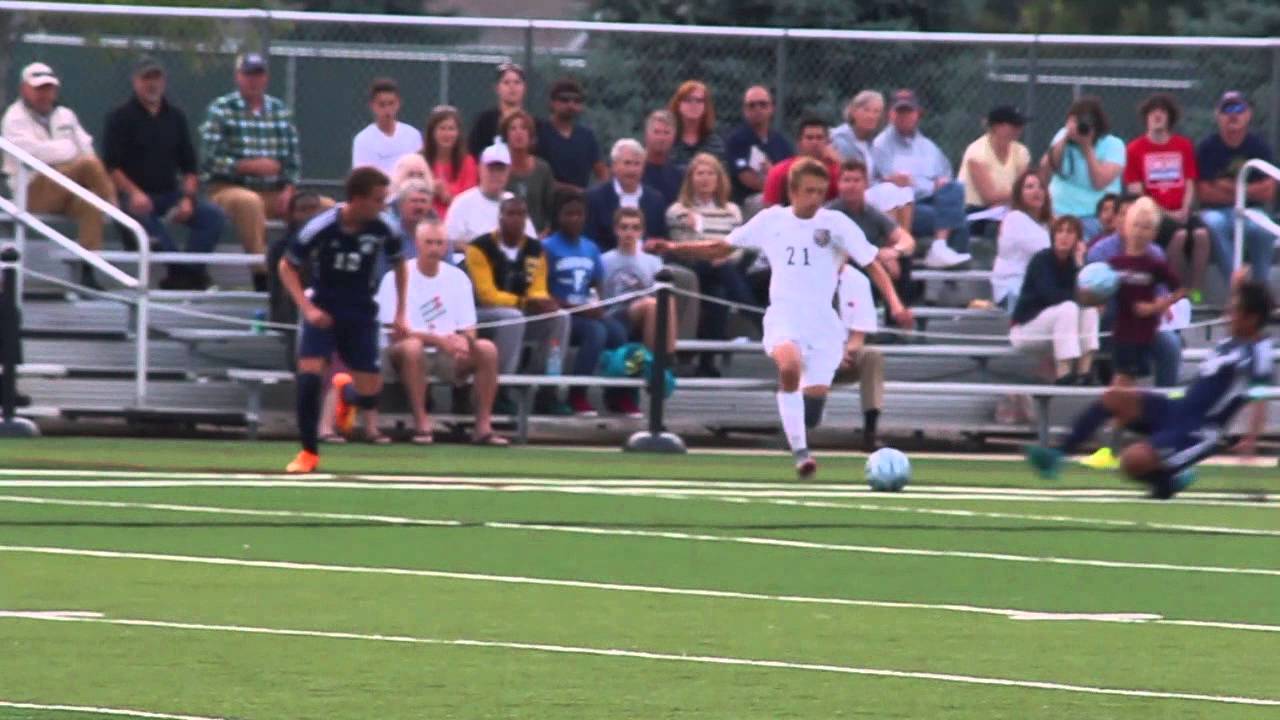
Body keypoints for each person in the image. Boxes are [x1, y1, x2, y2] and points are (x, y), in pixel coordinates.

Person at [649, 158, 915, 479]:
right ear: (793, 191)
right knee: (788, 366)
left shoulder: (836, 223)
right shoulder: (771, 220)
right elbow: (721, 247)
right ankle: (802, 453)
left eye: (820, 192)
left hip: (823, 326)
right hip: (784, 318)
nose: (815, 198)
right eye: (809, 191)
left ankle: (799, 426)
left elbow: (872, 263)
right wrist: (675, 247)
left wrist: (896, 305)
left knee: (813, 401)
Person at [1027, 274, 1273, 500]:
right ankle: (1057, 455)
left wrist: (1251, 438)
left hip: (1197, 429)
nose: (1228, 312)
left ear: (1251, 318)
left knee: (1131, 461)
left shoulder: (1257, 350)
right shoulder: (1231, 342)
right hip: (1177, 408)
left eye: (1235, 309)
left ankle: (1168, 480)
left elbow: (1259, 394)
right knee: (1115, 398)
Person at [277, 167, 409, 473]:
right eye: (377, 200)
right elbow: (287, 266)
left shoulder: (385, 227)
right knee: (309, 376)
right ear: (358, 199)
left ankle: (345, 391)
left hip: (361, 309)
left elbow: (400, 264)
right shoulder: (320, 227)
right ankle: (309, 452)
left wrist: (401, 312)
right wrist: (307, 308)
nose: (382, 206)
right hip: (324, 308)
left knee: (369, 392)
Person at [373, 220, 507, 446]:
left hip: (447, 353)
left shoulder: (458, 278)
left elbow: (468, 326)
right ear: (417, 244)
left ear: (446, 246)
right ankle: (421, 422)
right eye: (429, 243)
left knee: (487, 349)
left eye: (439, 243)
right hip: (402, 351)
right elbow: (393, 331)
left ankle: (483, 426)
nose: (434, 248)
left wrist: (466, 343)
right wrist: (436, 339)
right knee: (413, 347)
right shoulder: (396, 276)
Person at [103, 55, 225, 290]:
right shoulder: (119, 117)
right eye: (146, 78)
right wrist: (135, 193)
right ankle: (186, 276)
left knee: (213, 216)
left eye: (156, 78)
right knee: (144, 215)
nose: (152, 84)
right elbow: (111, 167)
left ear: (164, 81)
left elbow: (189, 166)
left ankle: (186, 276)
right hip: (134, 197)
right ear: (135, 81)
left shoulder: (176, 117)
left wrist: (188, 199)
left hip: (170, 194)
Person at [2, 62, 116, 289]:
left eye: (49, 88)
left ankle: (87, 273)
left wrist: (65, 154)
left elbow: (87, 149)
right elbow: (35, 155)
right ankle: (116, 210)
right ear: (24, 89)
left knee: (90, 203)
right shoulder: (14, 118)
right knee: (89, 165)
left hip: (65, 187)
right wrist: (67, 150)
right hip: (32, 191)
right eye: (39, 88)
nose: (45, 94)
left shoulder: (66, 115)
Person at [199, 52, 302, 292]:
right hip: (228, 189)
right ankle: (263, 277)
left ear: (266, 77)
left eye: (259, 74)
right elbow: (209, 160)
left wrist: (290, 188)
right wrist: (248, 165)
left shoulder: (279, 111)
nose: (254, 80)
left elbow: (293, 162)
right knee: (250, 202)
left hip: (275, 191)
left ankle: (306, 273)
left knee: (321, 206)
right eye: (248, 75)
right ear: (238, 77)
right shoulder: (221, 109)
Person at [465, 196, 571, 416]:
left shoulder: (535, 249)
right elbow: (486, 294)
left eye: (521, 214)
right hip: (481, 316)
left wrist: (542, 302)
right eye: (511, 214)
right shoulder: (479, 247)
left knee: (561, 317)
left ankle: (546, 387)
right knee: (512, 317)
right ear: (500, 217)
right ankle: (499, 389)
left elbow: (538, 286)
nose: (516, 219)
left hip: (521, 313)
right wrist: (524, 303)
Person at [665, 152, 752, 377]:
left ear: (718, 178)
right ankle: (755, 314)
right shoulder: (679, 211)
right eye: (700, 173)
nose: (705, 178)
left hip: (722, 268)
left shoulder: (732, 211)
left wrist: (725, 256)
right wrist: (712, 253)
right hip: (694, 269)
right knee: (722, 271)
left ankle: (707, 362)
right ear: (691, 178)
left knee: (720, 293)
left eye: (710, 173)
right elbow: (683, 245)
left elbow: (739, 246)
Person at [544, 188, 628, 416]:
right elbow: (543, 293)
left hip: (586, 310)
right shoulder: (547, 247)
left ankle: (618, 395)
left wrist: (596, 303)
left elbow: (596, 283)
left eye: (579, 214)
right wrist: (579, 308)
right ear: (558, 216)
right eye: (568, 214)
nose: (574, 219)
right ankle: (576, 394)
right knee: (596, 333)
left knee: (618, 331)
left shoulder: (590, 248)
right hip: (562, 315)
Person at [1124, 92, 1210, 302]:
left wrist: (1184, 209)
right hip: (1155, 214)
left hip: (1181, 210)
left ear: (1170, 117)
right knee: (1179, 236)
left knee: (1201, 235)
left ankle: (1196, 291)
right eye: (1153, 111)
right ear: (1146, 117)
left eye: (1162, 111)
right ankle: (1176, 291)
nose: (1158, 115)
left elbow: (1189, 182)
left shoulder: (1183, 146)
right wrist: (1166, 213)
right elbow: (1136, 191)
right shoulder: (1135, 149)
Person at [872, 89, 972, 269]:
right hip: (905, 207)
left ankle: (944, 258)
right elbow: (892, 183)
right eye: (899, 111)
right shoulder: (881, 145)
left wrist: (941, 183)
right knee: (957, 222)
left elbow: (946, 175)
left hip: (935, 201)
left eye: (908, 111)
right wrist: (931, 187)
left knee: (955, 189)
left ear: (918, 114)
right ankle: (946, 275)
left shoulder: (928, 146)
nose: (903, 116)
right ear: (890, 114)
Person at [1196, 91, 1278, 284]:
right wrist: (1249, 190)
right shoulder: (1207, 148)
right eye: (1227, 109)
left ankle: (1259, 292)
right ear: (1218, 115)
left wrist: (1230, 187)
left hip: (1252, 210)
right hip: (1216, 212)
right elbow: (1204, 193)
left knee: (1264, 231)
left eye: (1238, 108)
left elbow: (1269, 192)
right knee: (1214, 224)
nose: (1233, 114)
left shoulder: (1259, 146)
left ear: (1248, 114)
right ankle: (1238, 287)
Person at [804, 263, 887, 451]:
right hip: (812, 355)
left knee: (872, 356)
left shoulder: (858, 281)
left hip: (846, 355)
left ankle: (870, 431)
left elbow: (859, 334)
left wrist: (843, 352)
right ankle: (799, 430)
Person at [1008, 215, 1099, 383]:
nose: (1064, 236)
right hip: (1026, 329)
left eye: (1070, 232)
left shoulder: (1076, 263)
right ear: (1053, 235)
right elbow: (1051, 295)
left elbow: (1087, 296)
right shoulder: (1041, 260)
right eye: (1060, 231)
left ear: (1078, 239)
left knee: (1089, 310)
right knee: (1068, 307)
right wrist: (1080, 297)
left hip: (1059, 331)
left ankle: (1084, 372)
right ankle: (1063, 372)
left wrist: (1079, 265)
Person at [1108, 196, 1184, 386]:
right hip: (1122, 333)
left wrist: (1157, 306)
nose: (1139, 232)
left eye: (1146, 227)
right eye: (1136, 225)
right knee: (1123, 380)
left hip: (1147, 332)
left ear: (1154, 233)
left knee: (1132, 382)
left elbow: (1183, 291)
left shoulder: (1155, 264)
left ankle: (1167, 403)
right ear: (1126, 226)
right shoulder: (1114, 264)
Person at [826, 159, 918, 315]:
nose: (852, 185)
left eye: (856, 180)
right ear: (839, 184)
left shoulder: (873, 213)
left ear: (866, 184)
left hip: (872, 265)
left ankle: (897, 322)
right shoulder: (829, 213)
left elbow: (907, 241)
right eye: (846, 180)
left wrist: (894, 252)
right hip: (843, 267)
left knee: (904, 260)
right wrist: (875, 255)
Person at [1039, 96, 1125, 239]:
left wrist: (1087, 148)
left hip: (1093, 216)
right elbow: (1046, 168)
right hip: (1058, 212)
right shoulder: (1063, 136)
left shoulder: (1114, 145)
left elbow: (1099, 182)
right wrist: (1066, 138)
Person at [829, 90, 914, 223]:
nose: (872, 116)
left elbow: (872, 176)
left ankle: (905, 240)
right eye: (867, 110)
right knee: (888, 192)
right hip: (849, 193)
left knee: (904, 191)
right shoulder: (838, 138)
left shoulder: (870, 143)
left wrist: (891, 178)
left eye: (876, 112)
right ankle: (889, 239)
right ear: (853, 112)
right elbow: (847, 170)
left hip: (869, 190)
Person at [603, 207, 676, 356]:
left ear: (641, 232)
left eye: (635, 228)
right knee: (651, 304)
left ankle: (668, 358)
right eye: (624, 227)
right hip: (614, 314)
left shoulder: (654, 261)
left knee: (667, 298)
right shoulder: (603, 260)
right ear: (616, 230)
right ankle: (651, 361)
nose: (629, 232)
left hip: (647, 311)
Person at [444, 143, 536, 257]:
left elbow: (531, 241)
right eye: (491, 169)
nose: (496, 174)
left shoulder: (514, 202)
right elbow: (449, 242)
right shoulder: (462, 202)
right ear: (480, 169)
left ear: (508, 172)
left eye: (501, 170)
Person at [585, 138, 669, 252]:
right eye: (627, 163)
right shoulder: (594, 197)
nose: (632, 170)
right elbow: (589, 242)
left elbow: (662, 240)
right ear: (614, 166)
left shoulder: (656, 200)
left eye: (637, 164)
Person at [990, 171, 1052, 311]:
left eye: (1041, 187)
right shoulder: (1014, 218)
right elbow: (1047, 251)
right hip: (1013, 291)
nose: (1037, 191)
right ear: (1019, 194)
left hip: (1035, 290)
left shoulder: (1044, 225)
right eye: (1029, 187)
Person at [724, 86, 793, 206]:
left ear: (772, 108)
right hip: (747, 200)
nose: (757, 109)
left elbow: (792, 175)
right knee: (770, 202)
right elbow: (747, 178)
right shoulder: (736, 140)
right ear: (745, 110)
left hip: (781, 195)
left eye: (763, 104)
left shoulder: (781, 141)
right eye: (752, 105)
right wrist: (776, 184)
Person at [536, 78, 607, 189]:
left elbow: (602, 173)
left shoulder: (586, 136)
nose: (571, 105)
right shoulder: (539, 132)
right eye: (564, 100)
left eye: (577, 101)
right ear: (552, 103)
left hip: (580, 201)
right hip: (547, 199)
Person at [958, 105, 1031, 212]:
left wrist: (1022, 192)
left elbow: (1024, 185)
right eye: (1014, 125)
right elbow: (990, 197)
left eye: (1021, 124)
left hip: (1005, 210)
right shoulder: (976, 152)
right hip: (972, 213)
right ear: (997, 127)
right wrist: (1021, 192)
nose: (1019, 129)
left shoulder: (1021, 151)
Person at [350, 77, 423, 174]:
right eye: (382, 105)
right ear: (372, 106)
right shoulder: (362, 140)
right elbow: (363, 178)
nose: (387, 110)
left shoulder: (413, 135)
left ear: (398, 104)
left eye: (391, 104)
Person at [762, 116, 839, 207]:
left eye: (819, 138)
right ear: (799, 142)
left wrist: (839, 162)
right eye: (809, 138)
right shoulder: (780, 171)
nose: (815, 142)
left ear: (827, 142)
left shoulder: (836, 170)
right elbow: (770, 206)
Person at [500, 110, 555, 234]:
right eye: (513, 128)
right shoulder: (499, 169)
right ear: (506, 136)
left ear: (531, 136)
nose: (518, 132)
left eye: (524, 128)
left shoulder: (543, 169)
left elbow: (551, 210)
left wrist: (544, 234)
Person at [422, 105, 476, 220]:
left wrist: (447, 196)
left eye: (451, 129)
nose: (447, 134)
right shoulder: (420, 160)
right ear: (432, 132)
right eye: (442, 128)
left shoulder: (467, 162)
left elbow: (470, 203)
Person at [468, 62, 527, 158]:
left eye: (517, 82)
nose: (512, 87)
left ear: (524, 87)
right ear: (497, 88)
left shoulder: (533, 123)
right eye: (506, 82)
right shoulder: (484, 122)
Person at [667, 80, 726, 175]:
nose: (693, 104)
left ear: (705, 107)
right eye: (688, 100)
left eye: (699, 101)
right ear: (678, 104)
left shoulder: (715, 144)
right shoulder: (667, 140)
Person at [642, 109, 683, 204]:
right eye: (656, 132)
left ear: (673, 136)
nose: (661, 138)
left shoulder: (679, 176)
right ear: (646, 135)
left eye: (666, 133)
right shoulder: (634, 170)